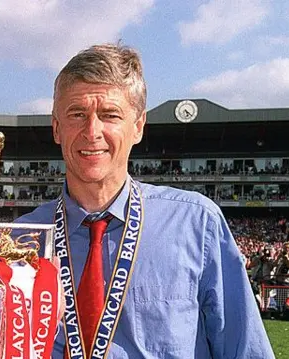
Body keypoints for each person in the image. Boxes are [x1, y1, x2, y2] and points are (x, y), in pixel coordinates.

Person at [17, 44, 275, 358]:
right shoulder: (20, 239)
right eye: (77, 114)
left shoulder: (197, 224)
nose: (92, 131)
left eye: (110, 115)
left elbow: (245, 350)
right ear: (57, 128)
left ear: (138, 126)